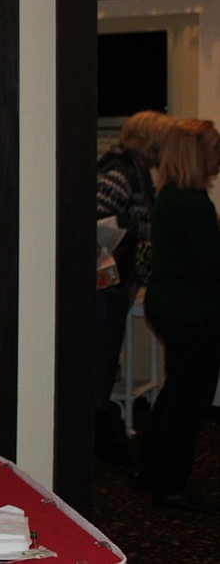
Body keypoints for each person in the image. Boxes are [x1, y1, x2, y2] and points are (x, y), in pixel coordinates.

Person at [135, 117, 220, 512]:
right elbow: (210, 264)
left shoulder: (172, 194)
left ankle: (149, 469)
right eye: (215, 147)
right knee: (189, 402)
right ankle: (169, 484)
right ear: (197, 154)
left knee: (175, 394)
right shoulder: (192, 201)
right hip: (192, 312)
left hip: (171, 306)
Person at [93, 110, 173, 462]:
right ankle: (99, 442)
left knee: (105, 361)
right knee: (102, 361)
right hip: (106, 286)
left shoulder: (135, 173)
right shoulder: (122, 174)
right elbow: (96, 221)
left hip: (115, 285)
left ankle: (101, 438)